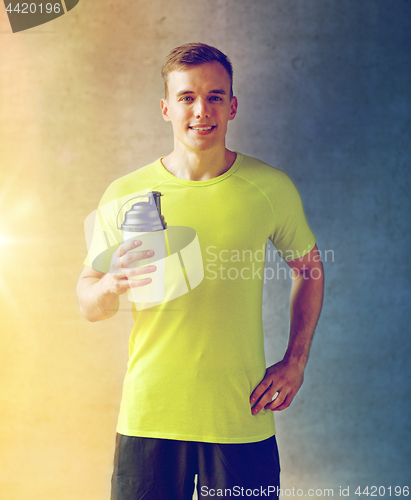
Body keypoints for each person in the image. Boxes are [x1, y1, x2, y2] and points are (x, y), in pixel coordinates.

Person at [77, 42, 324, 500]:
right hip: (150, 417)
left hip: (239, 416)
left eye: (214, 96)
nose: (201, 110)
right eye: (187, 97)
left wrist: (296, 361)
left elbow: (309, 269)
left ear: (232, 105)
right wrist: (111, 283)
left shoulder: (269, 187)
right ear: (166, 108)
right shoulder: (125, 193)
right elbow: (89, 302)